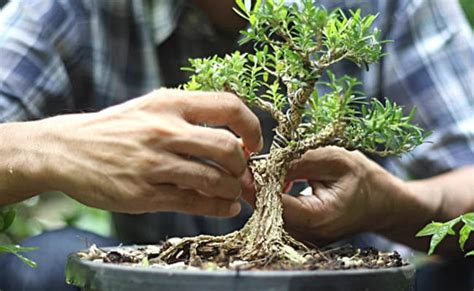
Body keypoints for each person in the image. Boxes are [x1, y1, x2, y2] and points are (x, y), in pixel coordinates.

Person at [0, 0, 472, 290]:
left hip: (347, 280)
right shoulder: (76, 6)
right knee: (41, 266)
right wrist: (52, 146)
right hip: (155, 279)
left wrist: (396, 206)